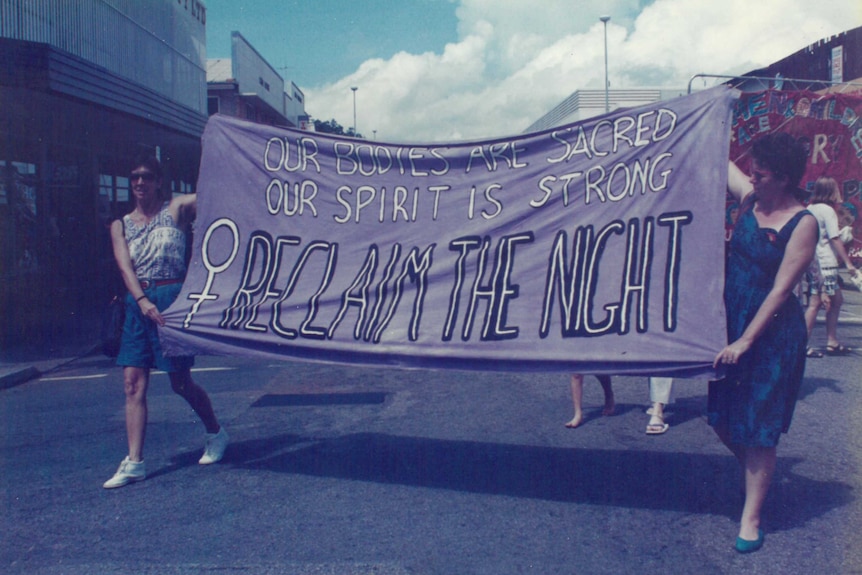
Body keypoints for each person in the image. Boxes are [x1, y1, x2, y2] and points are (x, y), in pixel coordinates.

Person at [711, 134, 817, 553]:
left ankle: (751, 517)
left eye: (762, 172)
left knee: (758, 429)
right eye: (752, 170)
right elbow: (723, 162)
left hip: (771, 334)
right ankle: (758, 476)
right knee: (722, 419)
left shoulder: (803, 222)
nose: (752, 176)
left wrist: (745, 340)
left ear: (786, 178)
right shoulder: (748, 201)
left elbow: (780, 291)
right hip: (732, 319)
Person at [103, 155, 228, 489]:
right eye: (134, 178)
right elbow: (124, 266)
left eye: (146, 177)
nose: (139, 183)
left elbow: (217, 196)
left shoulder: (175, 210)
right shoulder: (121, 225)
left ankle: (215, 432)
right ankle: (135, 462)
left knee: (180, 382)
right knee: (132, 383)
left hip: (170, 301)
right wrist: (141, 301)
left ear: (159, 181)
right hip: (138, 304)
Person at [802, 176, 858, 356]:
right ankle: (801, 344)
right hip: (827, 263)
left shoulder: (810, 209)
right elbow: (834, 238)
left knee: (836, 300)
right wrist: (849, 263)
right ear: (831, 191)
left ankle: (832, 341)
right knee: (815, 304)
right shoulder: (828, 211)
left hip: (813, 262)